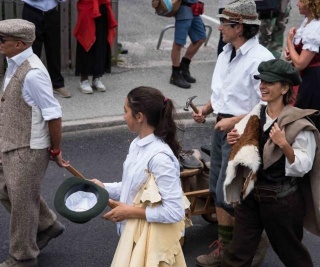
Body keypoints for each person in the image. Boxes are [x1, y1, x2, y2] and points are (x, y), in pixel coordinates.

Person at [192, 0, 274, 266]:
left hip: (245, 132)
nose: (221, 29)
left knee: (234, 193)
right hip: (222, 128)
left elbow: (269, 105)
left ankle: (250, 246)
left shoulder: (261, 58)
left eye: (225, 25)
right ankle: (228, 249)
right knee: (218, 190)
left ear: (239, 27)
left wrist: (234, 121)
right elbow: (223, 93)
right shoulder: (226, 52)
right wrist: (206, 109)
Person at [222, 58, 320, 267]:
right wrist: (234, 139)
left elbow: (304, 165)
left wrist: (284, 145)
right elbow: (243, 140)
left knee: (293, 256)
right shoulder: (257, 112)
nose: (263, 86)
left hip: (281, 202)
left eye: (269, 82)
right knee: (237, 254)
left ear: (285, 87)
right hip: (250, 196)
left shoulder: (298, 123)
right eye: (261, 81)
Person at [0, 19, 69, 267]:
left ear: (19, 44)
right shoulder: (13, 62)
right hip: (9, 143)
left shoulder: (34, 74)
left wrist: (55, 149)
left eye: (2, 40)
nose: (0, 43)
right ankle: (47, 225)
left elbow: (54, 114)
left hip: (29, 149)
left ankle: (24, 257)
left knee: (22, 204)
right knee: (5, 190)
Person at [91, 86, 186, 266]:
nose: (124, 116)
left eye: (126, 111)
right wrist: (103, 187)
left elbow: (175, 211)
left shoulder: (160, 158)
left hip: (149, 245)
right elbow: (131, 187)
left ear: (140, 117)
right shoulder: (137, 144)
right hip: (132, 235)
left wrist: (130, 212)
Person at [22, 0, 71, 98]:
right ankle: (30, 86)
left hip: (51, 13)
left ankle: (57, 84)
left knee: (54, 50)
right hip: (32, 12)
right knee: (32, 51)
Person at [285, 0, 320, 131]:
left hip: (312, 81)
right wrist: (291, 52)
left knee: (306, 119)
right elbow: (299, 56)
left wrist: (289, 41)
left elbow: (300, 63)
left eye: (301, 1)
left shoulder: (316, 27)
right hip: (305, 77)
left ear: (311, 4)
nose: (297, 4)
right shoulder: (308, 22)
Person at [73, 0, 117, 94]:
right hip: (87, 6)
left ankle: (97, 77)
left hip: (103, 6)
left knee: (101, 42)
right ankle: (83, 79)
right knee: (86, 40)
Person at [170, 0, 206, 89]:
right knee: (178, 43)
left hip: (194, 7)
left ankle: (184, 66)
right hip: (183, 8)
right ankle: (175, 74)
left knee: (201, 37)